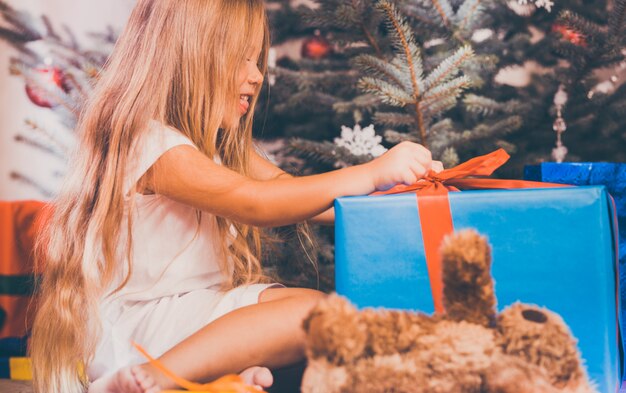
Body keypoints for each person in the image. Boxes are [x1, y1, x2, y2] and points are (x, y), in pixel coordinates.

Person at [29, 1, 442, 392]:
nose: (257, 75)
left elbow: (286, 190)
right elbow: (256, 203)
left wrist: (396, 198)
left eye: (256, 59)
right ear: (189, 58)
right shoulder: (153, 145)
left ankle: (207, 379)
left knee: (325, 311)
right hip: (140, 322)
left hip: (195, 308)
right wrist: (372, 171)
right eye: (241, 59)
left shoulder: (213, 144)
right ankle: (147, 378)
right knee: (314, 316)